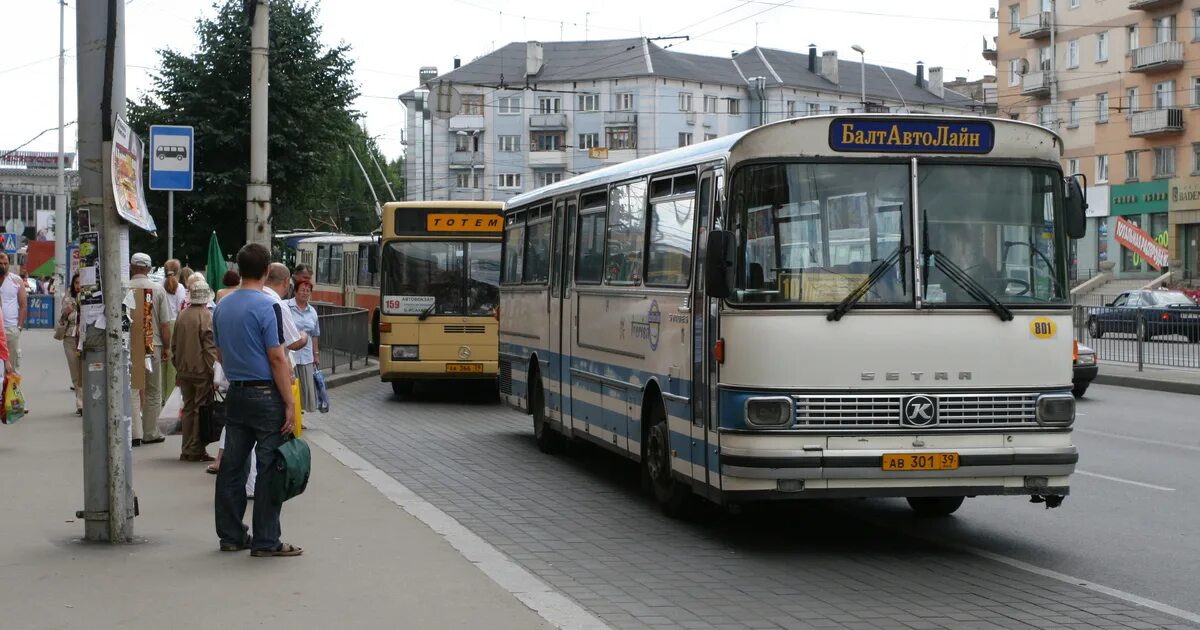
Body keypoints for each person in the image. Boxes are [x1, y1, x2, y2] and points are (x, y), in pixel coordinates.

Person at [212, 243, 301, 557]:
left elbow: (219, 353)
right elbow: (277, 358)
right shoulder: (269, 306)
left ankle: (231, 535)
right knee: (270, 468)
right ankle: (266, 540)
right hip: (266, 396)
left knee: (232, 469)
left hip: (236, 393)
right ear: (266, 271)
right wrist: (288, 403)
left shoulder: (222, 305)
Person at [123, 252, 172, 446]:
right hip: (153, 343)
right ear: (150, 269)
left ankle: (135, 433)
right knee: (153, 390)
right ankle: (151, 432)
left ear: (131, 267)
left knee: (134, 388)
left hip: (130, 344)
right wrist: (168, 347)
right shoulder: (158, 290)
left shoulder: (124, 288)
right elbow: (165, 323)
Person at [171, 280, 217, 463]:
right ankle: (196, 449)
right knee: (200, 409)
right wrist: (213, 370)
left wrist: (178, 365)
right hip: (201, 370)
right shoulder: (206, 316)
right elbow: (209, 348)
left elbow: (174, 345)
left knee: (188, 408)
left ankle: (186, 448)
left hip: (184, 370)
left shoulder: (182, 315)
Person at [286, 280, 320, 413]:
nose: (305, 293)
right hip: (291, 355)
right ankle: (292, 417)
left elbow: (315, 334)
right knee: (292, 386)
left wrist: (316, 354)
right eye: (302, 290)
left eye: (308, 291)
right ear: (295, 291)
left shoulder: (312, 312)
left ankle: (299, 418)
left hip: (306, 356)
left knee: (304, 388)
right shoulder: (286, 307)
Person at [59, 273, 83, 415]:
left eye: (81, 283)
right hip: (70, 338)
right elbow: (62, 320)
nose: (79, 286)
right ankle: (80, 404)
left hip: (85, 339)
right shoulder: (68, 299)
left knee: (83, 372)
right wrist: (65, 314)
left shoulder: (89, 300)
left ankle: (84, 401)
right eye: (76, 283)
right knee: (75, 372)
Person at [0, 253, 27, 369]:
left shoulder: (16, 280)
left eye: (5, 263)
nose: (3, 266)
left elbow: (23, 305)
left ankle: (12, 388)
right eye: (0, 264)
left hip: (11, 329)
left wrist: (19, 327)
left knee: (12, 368)